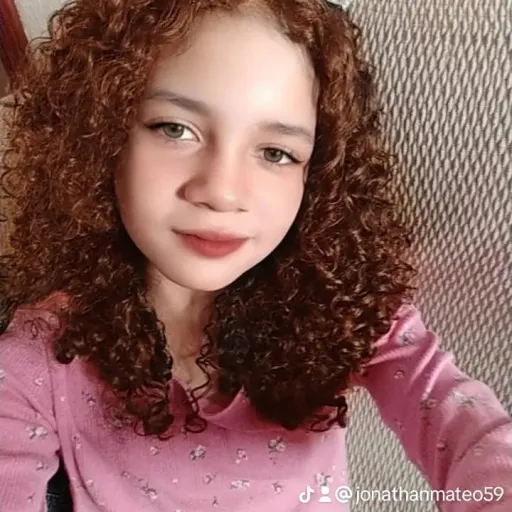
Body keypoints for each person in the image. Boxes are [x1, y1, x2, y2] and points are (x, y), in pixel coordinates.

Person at [0, 0, 510, 511]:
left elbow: (469, 431)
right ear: (102, 135)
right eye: (175, 128)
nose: (222, 192)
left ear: (316, 177)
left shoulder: (346, 310)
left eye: (275, 153)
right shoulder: (40, 355)